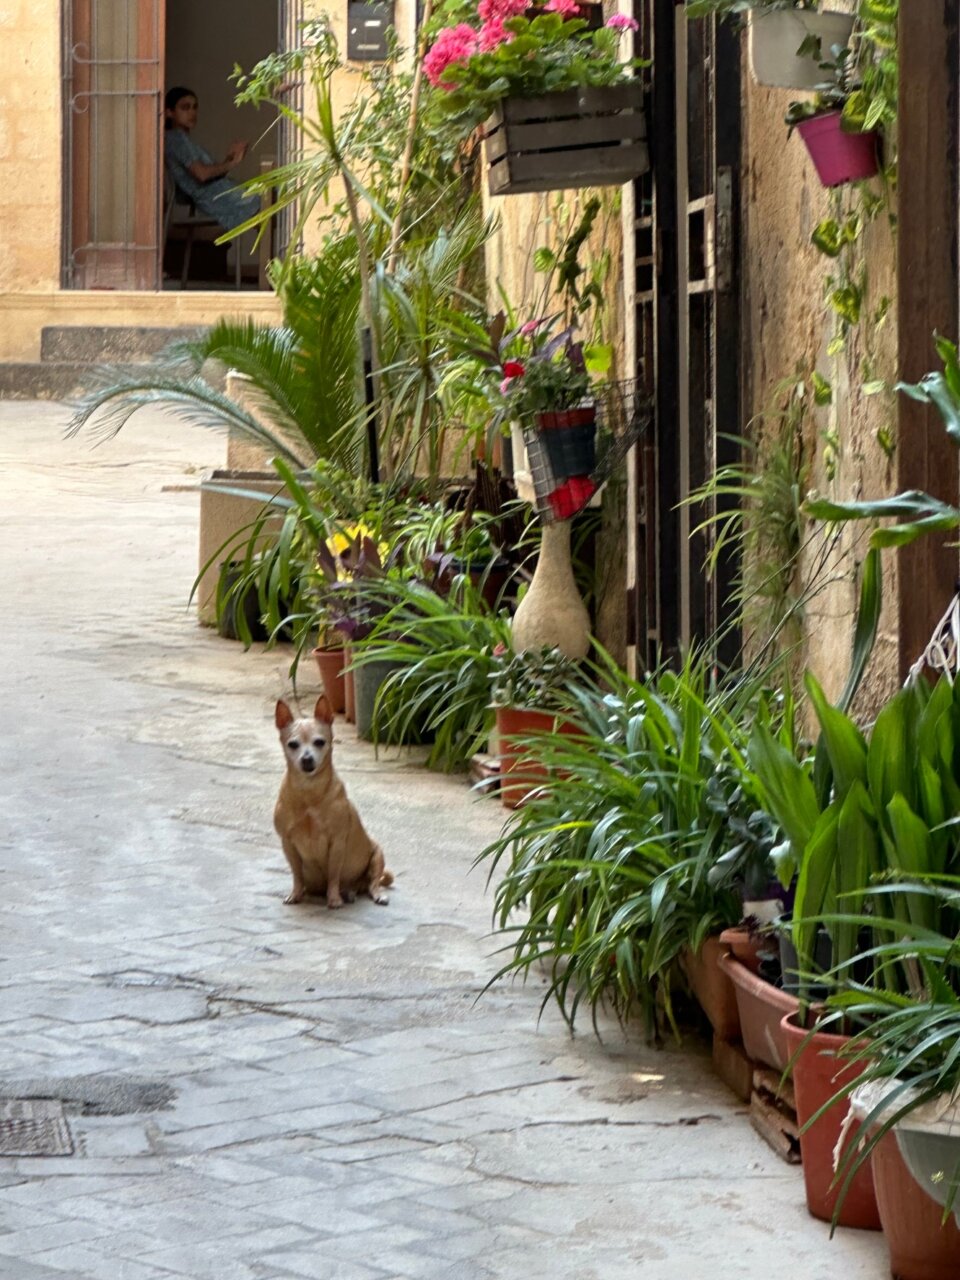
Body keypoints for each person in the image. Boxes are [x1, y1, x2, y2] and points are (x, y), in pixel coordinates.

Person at [163, 86, 259, 232]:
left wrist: (229, 158)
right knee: (270, 203)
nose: (192, 113)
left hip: (219, 192)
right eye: (185, 108)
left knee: (273, 198)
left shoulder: (181, 139)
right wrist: (232, 163)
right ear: (169, 112)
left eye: (195, 107)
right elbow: (202, 174)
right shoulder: (175, 139)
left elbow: (208, 173)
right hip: (216, 198)